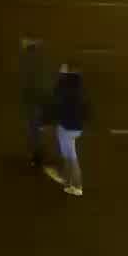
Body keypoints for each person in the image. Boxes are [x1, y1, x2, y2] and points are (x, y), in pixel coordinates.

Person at [47, 63, 90, 196]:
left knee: (70, 157)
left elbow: (55, 99)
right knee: (69, 155)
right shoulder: (80, 86)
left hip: (66, 126)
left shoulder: (63, 86)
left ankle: (75, 185)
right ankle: (68, 181)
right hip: (77, 127)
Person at [19, 37, 50, 170]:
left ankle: (37, 155)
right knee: (36, 128)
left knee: (33, 129)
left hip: (33, 99)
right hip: (37, 98)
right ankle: (38, 154)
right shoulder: (38, 61)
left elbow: (28, 81)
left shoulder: (28, 61)